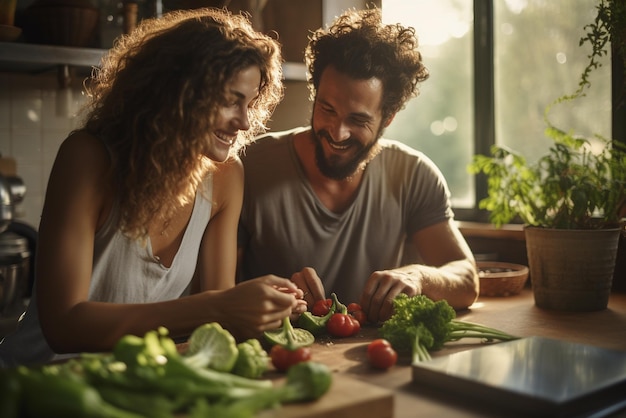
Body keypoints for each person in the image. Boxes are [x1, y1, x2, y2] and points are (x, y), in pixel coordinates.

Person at [0, 7, 304, 367]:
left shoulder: (225, 176)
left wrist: (273, 308)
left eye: (250, 103)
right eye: (230, 100)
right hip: (39, 383)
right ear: (178, 93)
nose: (244, 121)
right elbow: (63, 325)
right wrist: (220, 306)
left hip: (133, 385)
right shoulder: (89, 158)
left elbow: (218, 322)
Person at [237, 7, 479, 324]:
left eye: (358, 120)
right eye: (327, 109)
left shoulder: (414, 174)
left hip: (373, 361)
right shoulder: (249, 165)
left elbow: (466, 279)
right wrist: (273, 294)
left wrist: (419, 277)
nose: (337, 132)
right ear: (315, 94)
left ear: (388, 118)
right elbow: (215, 289)